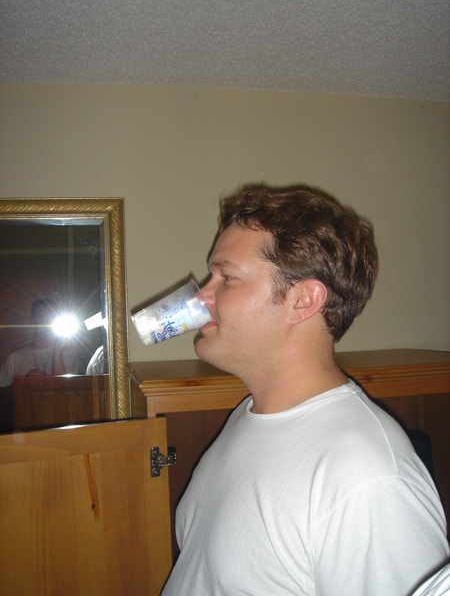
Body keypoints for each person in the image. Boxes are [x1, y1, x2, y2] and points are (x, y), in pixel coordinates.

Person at [161, 184, 449, 596]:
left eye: (227, 277)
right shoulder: (250, 415)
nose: (202, 298)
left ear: (303, 301)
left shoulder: (368, 477)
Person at [0, 299, 79, 388]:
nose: (47, 322)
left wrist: (57, 351)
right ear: (32, 322)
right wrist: (23, 382)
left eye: (51, 318)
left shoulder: (67, 355)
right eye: (43, 317)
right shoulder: (14, 358)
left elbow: (68, 390)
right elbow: (2, 393)